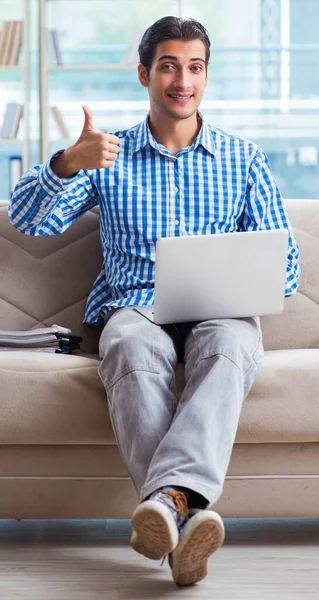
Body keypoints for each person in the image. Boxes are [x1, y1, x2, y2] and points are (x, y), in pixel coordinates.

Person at [9, 16, 300, 587]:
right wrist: (68, 160)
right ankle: (184, 519)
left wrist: (245, 268)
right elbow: (26, 219)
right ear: (145, 73)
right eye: (169, 65)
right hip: (134, 308)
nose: (182, 80)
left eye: (194, 67)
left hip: (221, 309)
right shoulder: (107, 157)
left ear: (206, 77)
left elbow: (286, 268)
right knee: (130, 347)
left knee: (229, 345)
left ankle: (167, 506)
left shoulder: (244, 160)